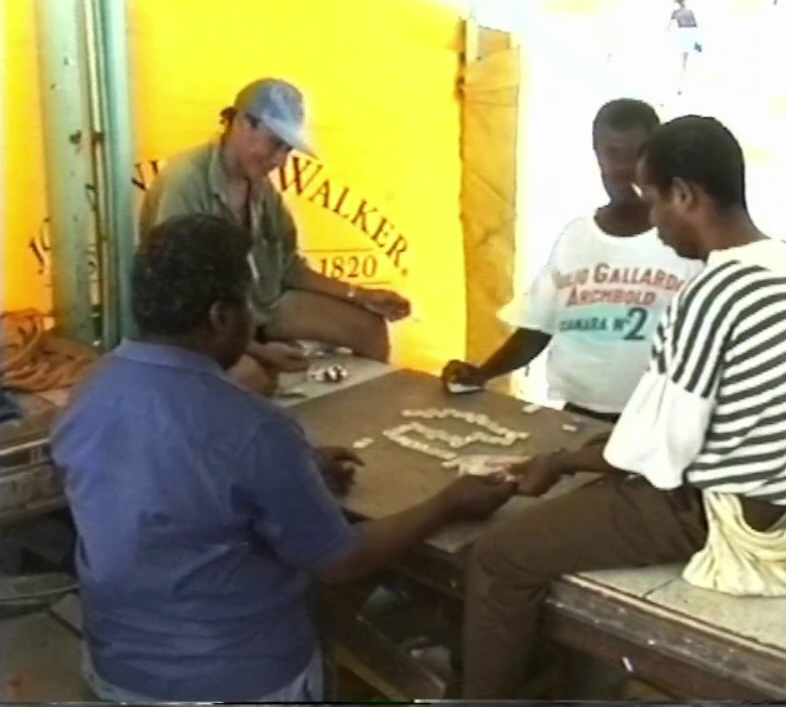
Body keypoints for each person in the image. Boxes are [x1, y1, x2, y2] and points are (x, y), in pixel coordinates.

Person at [50, 214, 515, 703]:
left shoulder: (89, 389)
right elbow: (340, 562)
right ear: (221, 316)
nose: (256, 318)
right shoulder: (253, 427)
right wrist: (448, 503)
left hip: (116, 671)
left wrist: (288, 473)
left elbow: (154, 485)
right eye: (249, 303)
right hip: (237, 684)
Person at [461, 116, 786, 699]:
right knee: (579, 493)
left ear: (684, 195)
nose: (653, 219)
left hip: (717, 514)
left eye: (653, 198)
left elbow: (653, 458)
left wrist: (558, 463)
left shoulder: (714, 291)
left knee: (497, 556)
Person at [140, 78, 411, 395]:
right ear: (242, 124)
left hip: (256, 310)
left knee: (369, 329)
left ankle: (363, 419)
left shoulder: (262, 189)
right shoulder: (185, 182)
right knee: (254, 378)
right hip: (199, 328)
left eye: (287, 149)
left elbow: (289, 268)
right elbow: (183, 301)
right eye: (275, 144)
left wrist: (360, 294)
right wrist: (257, 350)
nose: (280, 160)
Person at [441, 99, 703, 423]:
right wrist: (483, 373)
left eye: (637, 155)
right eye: (612, 153)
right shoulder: (577, 237)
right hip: (578, 416)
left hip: (656, 421)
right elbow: (539, 327)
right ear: (597, 155)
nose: (624, 169)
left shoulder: (685, 240)